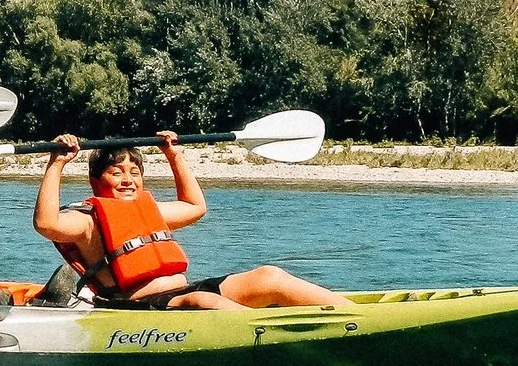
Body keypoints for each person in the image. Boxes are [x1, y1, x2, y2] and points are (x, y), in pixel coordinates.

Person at [32, 131, 348, 311]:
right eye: (116, 173)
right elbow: (46, 223)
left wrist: (175, 156)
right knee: (200, 299)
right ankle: (278, 340)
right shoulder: (87, 222)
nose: (128, 180)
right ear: (95, 181)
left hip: (183, 292)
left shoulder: (149, 211)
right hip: (139, 308)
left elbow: (195, 206)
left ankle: (358, 316)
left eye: (134, 173)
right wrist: (56, 164)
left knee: (269, 275)